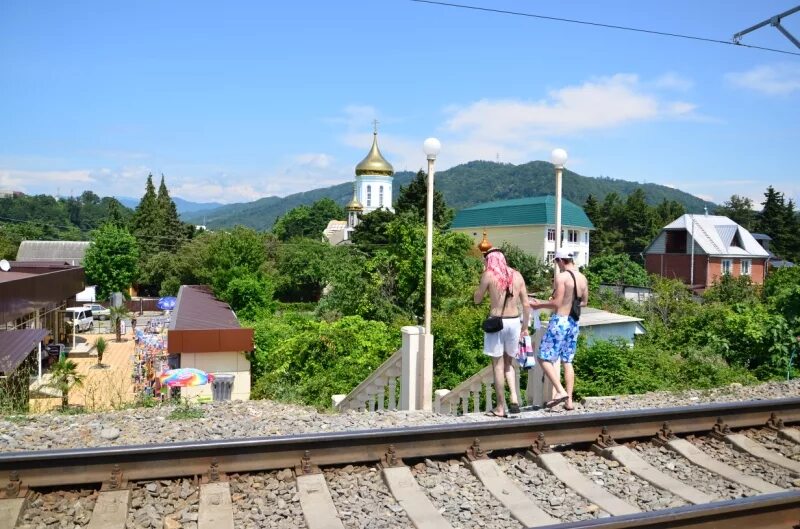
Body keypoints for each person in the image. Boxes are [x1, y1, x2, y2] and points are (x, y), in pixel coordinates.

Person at [474, 248, 531, 417]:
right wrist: (525, 327)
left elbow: (477, 300)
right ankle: (514, 398)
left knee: (497, 366)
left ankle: (500, 406)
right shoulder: (517, 275)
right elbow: (526, 304)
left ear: (489, 260)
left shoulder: (489, 275)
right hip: (514, 321)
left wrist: (480, 288)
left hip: (497, 323)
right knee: (509, 364)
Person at [529, 248, 588, 411]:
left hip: (560, 321)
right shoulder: (582, 278)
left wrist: (539, 304)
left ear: (561, 261)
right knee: (567, 361)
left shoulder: (561, 278)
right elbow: (584, 302)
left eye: (556, 261)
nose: (557, 264)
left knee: (543, 357)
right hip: (573, 322)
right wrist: (570, 303)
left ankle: (560, 391)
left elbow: (556, 304)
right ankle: (569, 402)